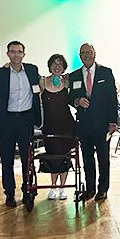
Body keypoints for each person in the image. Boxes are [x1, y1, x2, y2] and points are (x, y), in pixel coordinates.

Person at [0, 41, 42, 208]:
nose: (16, 55)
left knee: (27, 159)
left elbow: (39, 89)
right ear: (8, 54)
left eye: (19, 52)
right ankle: (9, 193)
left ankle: (27, 190)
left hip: (26, 120)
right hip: (6, 121)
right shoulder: (1, 73)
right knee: (7, 160)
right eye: (13, 51)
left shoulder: (32, 70)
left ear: (23, 54)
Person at [68, 43, 118, 202]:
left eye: (89, 52)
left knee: (103, 158)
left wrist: (113, 121)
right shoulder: (74, 75)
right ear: (80, 56)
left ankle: (103, 189)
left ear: (94, 53)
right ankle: (90, 189)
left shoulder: (106, 72)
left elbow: (112, 98)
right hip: (84, 124)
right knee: (87, 158)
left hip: (102, 124)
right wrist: (77, 100)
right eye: (83, 53)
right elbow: (70, 97)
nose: (87, 55)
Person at [40, 54, 77, 200]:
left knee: (64, 156)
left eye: (60, 64)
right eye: (54, 64)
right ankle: (53, 186)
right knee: (52, 155)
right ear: (49, 66)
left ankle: (62, 187)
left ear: (64, 67)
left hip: (66, 125)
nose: (57, 67)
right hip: (49, 125)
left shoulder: (67, 82)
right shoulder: (42, 82)